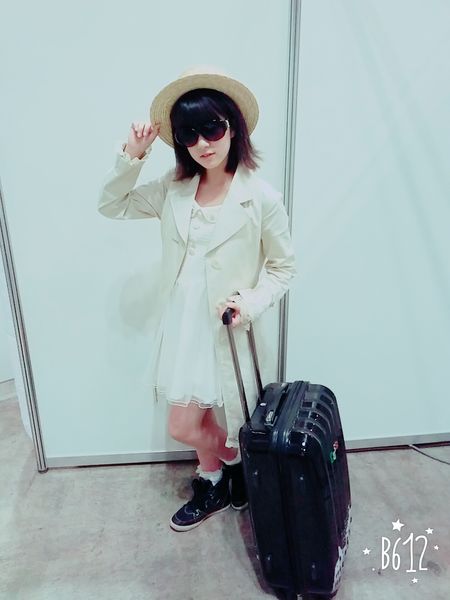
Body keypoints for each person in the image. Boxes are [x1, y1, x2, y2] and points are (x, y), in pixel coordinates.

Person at [98, 66, 296, 532]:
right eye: (189, 134)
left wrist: (248, 302)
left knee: (207, 418)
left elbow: (283, 268)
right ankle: (230, 470)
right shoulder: (173, 189)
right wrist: (133, 155)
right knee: (186, 423)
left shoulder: (261, 197)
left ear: (233, 128)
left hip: (227, 325)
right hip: (183, 323)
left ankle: (217, 477)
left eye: (212, 128)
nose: (203, 143)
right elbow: (112, 205)